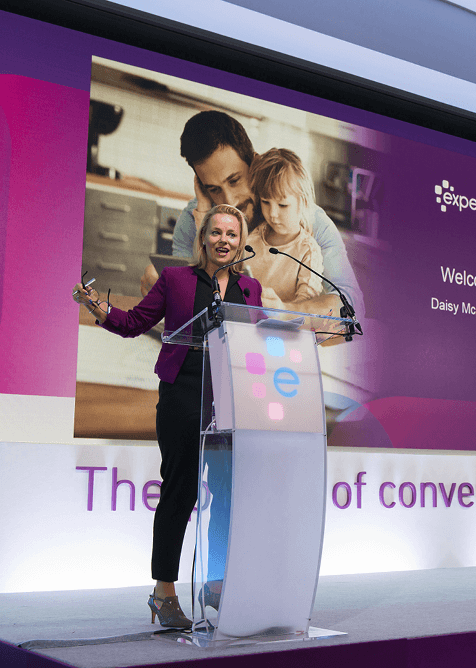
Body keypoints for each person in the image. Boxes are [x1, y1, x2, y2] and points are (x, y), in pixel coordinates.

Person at [74, 204, 262, 628]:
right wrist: (99, 310)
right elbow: (135, 322)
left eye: (232, 234)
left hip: (230, 402)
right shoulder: (176, 280)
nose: (224, 241)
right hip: (183, 395)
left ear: (241, 241)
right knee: (181, 493)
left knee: (228, 496)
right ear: (204, 239)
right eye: (216, 233)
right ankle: (164, 591)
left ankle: (215, 585)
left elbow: (256, 342)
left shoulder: (250, 290)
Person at [141, 110, 364, 318]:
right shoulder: (194, 217)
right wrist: (162, 290)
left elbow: (351, 305)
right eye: (214, 189)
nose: (230, 201)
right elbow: (187, 299)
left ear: (255, 164)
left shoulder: (307, 219)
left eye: (235, 180)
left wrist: (287, 311)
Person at [246, 148, 323, 309]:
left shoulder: (307, 251)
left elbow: (306, 307)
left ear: (303, 202)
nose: (272, 214)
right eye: (266, 202)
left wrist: (282, 310)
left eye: (282, 205)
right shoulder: (252, 237)